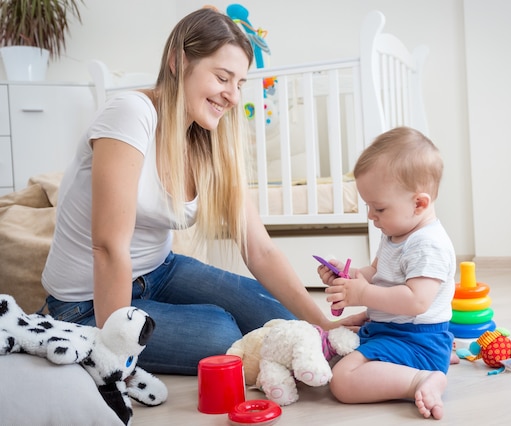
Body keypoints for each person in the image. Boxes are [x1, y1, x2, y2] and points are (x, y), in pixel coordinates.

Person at [41, 7, 339, 376]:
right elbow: (108, 246)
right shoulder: (131, 113)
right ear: (179, 61)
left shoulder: (208, 139)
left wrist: (324, 325)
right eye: (222, 77)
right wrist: (115, 353)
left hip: (160, 271)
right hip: (85, 303)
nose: (232, 95)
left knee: (288, 319)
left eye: (240, 83)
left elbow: (259, 249)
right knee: (220, 331)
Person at [317, 127, 456, 420]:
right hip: (392, 330)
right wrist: (349, 276)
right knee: (334, 340)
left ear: (419, 203)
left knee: (342, 380)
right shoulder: (397, 233)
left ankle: (420, 379)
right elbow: (377, 272)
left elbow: (417, 301)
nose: (371, 215)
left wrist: (364, 294)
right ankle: (424, 366)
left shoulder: (427, 244)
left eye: (378, 207)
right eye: (369, 206)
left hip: (416, 339)